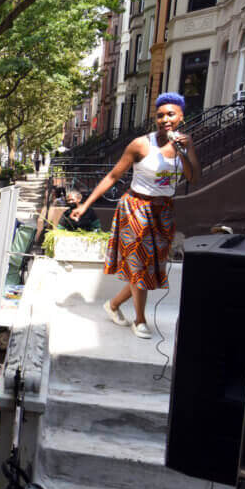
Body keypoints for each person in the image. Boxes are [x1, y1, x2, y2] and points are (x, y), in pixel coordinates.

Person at [70, 92, 200, 339]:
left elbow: (194, 178)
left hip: (163, 212)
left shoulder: (187, 142)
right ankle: (140, 320)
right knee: (140, 266)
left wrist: (184, 150)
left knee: (149, 270)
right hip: (136, 208)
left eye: (170, 114)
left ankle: (113, 304)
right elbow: (112, 176)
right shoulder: (142, 144)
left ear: (181, 116)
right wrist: (85, 205)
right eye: (160, 115)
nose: (165, 119)